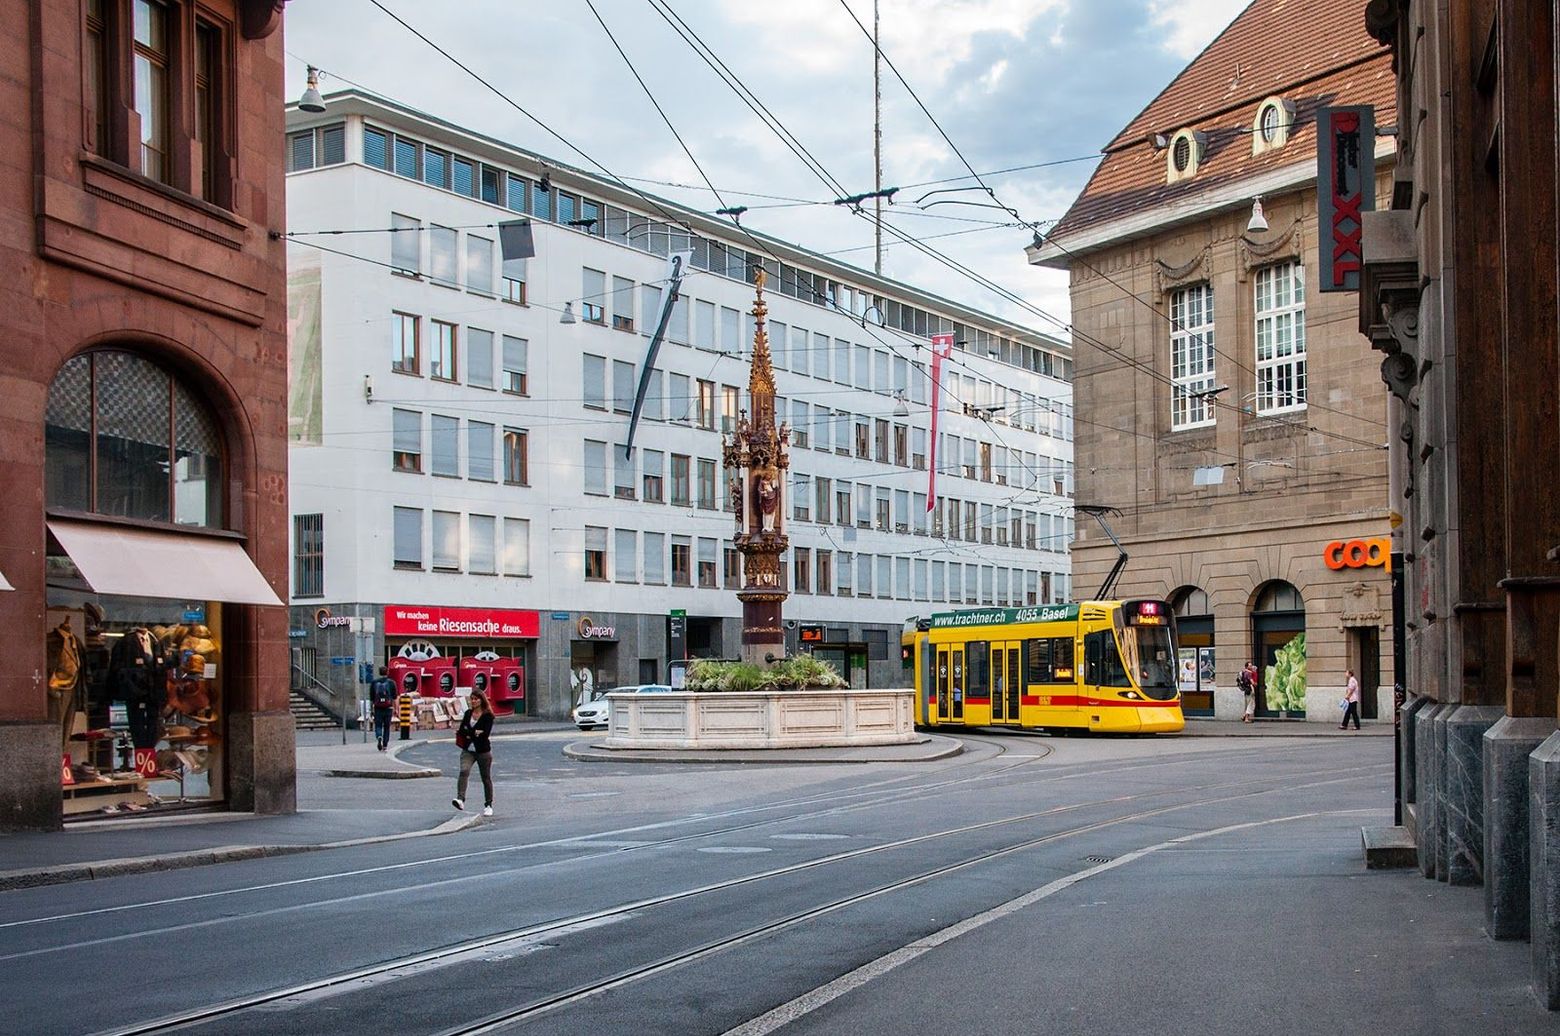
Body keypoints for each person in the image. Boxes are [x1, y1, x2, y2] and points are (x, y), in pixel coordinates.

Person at [453, 690, 495, 816]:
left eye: (476, 699)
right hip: (468, 751)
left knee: (486, 778)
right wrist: (475, 732)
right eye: (472, 699)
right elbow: (461, 731)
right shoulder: (468, 714)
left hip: (483, 751)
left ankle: (488, 805)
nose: (474, 701)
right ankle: (460, 799)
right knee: (463, 771)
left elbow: (485, 734)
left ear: (482, 700)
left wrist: (469, 733)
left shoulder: (488, 716)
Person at [369, 666, 396, 751]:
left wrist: (371, 709)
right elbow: (395, 697)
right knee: (387, 727)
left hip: (378, 708)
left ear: (379, 672)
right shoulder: (391, 683)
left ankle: (379, 736)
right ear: (387, 672)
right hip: (388, 707)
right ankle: (385, 745)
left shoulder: (374, 682)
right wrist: (395, 709)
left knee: (378, 725)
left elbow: (372, 698)